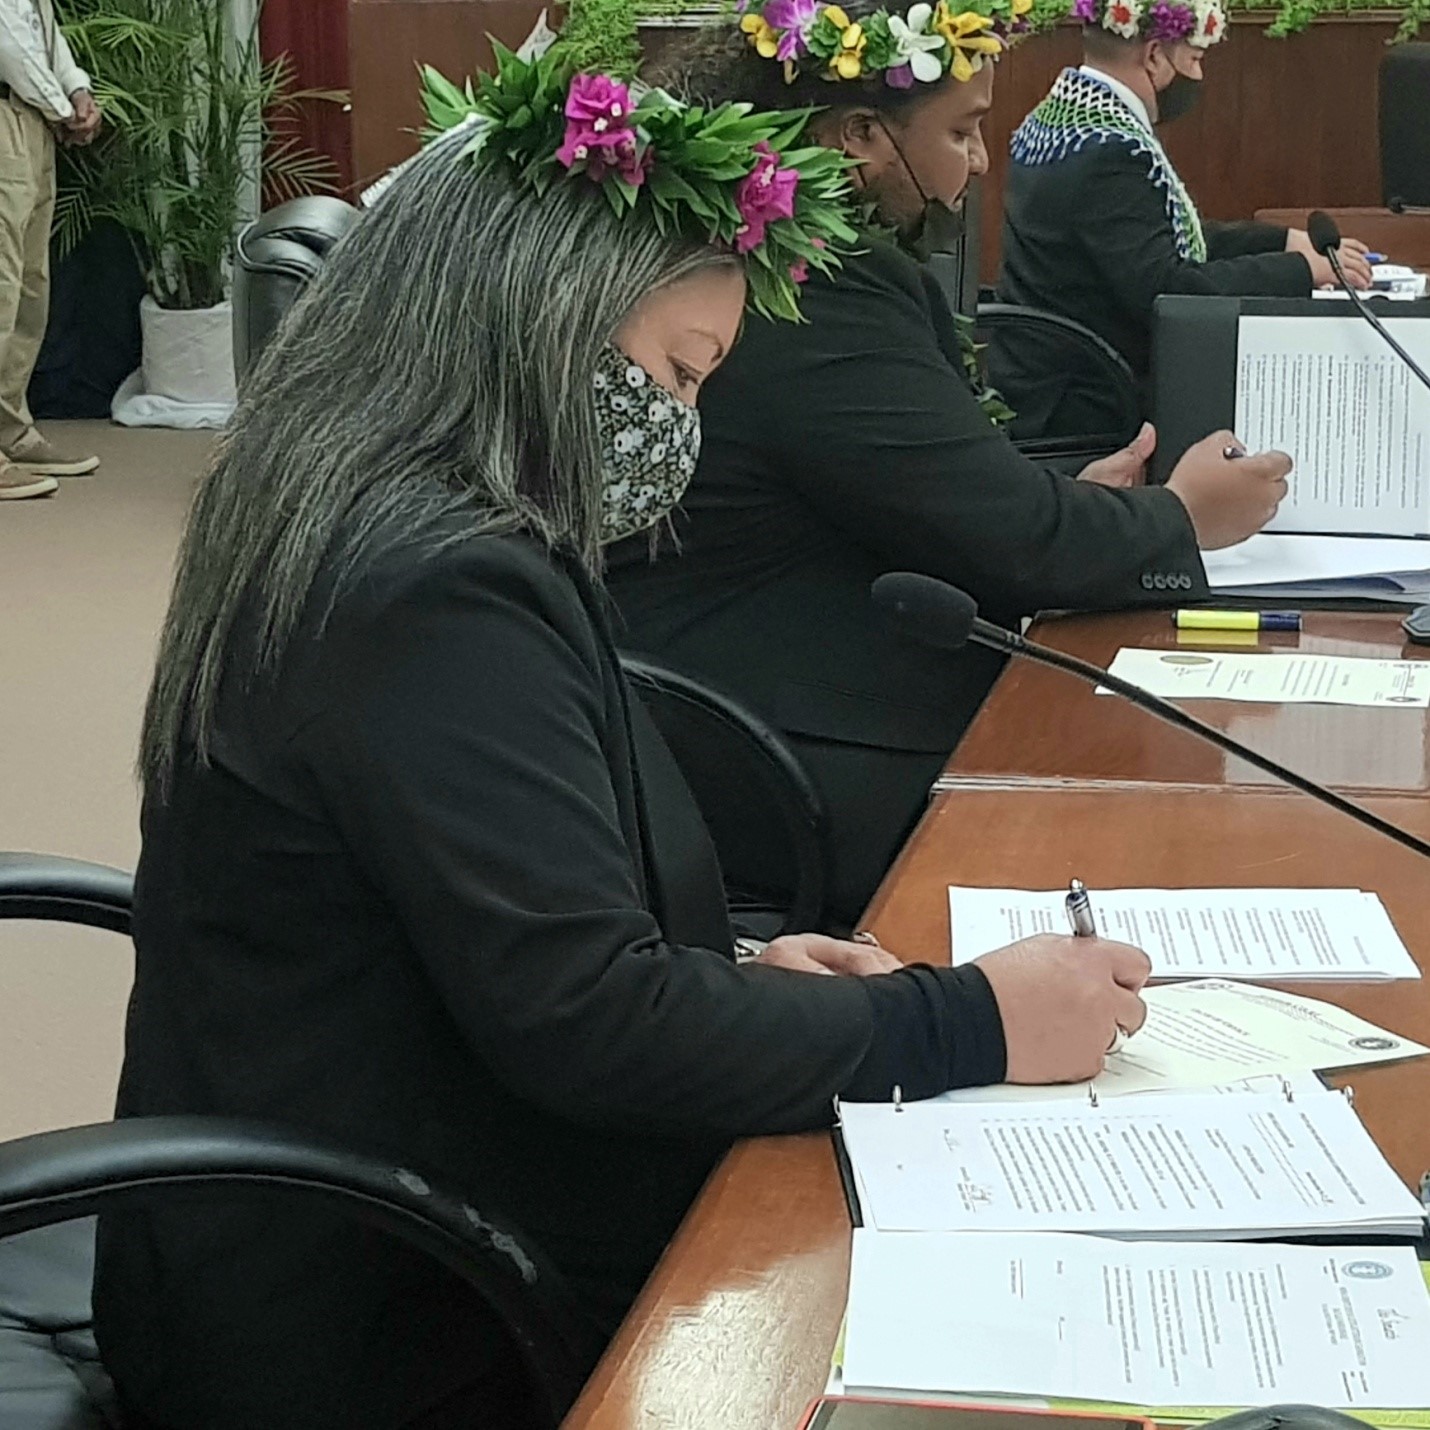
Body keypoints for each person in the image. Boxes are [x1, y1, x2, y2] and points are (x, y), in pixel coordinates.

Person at [91, 39, 1151, 1430]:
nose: (679, 422)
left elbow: (489, 920)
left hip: (372, 1181)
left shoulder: (389, 506)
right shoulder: (432, 584)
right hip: (383, 1299)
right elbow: (590, 1025)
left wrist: (741, 968)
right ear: (540, 323)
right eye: (674, 369)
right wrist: (968, 1019)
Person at [606, 0, 1292, 923]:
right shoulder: (812, 297)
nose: (978, 164)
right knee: (1159, 788)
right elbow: (1015, 540)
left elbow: (932, 494)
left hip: (742, 694)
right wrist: (1186, 514)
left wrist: (1068, 501)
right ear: (860, 136)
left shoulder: (761, 261)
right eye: (964, 132)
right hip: (761, 752)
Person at [996, 0, 1375, 430]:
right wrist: (1299, 271)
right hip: (1086, 400)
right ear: (1155, 56)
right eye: (1194, 59)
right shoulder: (1109, 148)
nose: (1198, 76)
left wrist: (1283, 241)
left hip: (1055, 381)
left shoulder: (1067, 117)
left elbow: (1163, 239)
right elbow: (1169, 289)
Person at [0, 0, 102, 500]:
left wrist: (77, 90)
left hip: (31, 122)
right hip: (6, 115)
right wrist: (63, 109)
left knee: (28, 286)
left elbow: (45, 34)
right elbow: (8, 46)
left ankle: (10, 431)